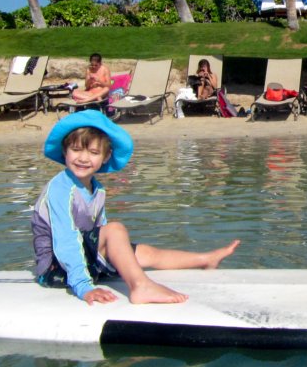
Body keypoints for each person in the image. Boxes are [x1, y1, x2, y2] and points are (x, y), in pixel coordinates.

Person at [31, 110, 241, 305]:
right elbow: (66, 240)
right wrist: (83, 287)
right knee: (116, 230)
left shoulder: (98, 189)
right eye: (76, 150)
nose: (84, 158)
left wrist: (114, 256)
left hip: (82, 260)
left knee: (145, 253)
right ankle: (140, 286)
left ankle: (205, 259)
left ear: (105, 157)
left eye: (93, 152)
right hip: (56, 269)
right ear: (64, 151)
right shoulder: (60, 188)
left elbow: (97, 234)